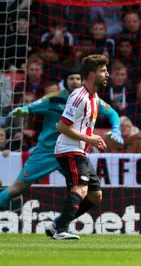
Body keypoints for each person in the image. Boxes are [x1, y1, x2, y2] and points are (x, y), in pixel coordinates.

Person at [0, 69, 122, 209]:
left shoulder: (91, 99)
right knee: (17, 188)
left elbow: (112, 113)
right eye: (71, 79)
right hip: (46, 152)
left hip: (72, 152)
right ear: (65, 82)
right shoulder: (53, 98)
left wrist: (116, 128)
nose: (75, 82)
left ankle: (61, 224)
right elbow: (32, 107)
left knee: (88, 192)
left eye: (78, 78)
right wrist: (25, 110)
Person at [46, 55, 110, 240]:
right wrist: (89, 138)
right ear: (91, 75)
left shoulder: (94, 96)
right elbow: (62, 126)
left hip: (80, 151)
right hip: (69, 149)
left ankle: (58, 224)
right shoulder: (78, 96)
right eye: (103, 71)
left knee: (95, 195)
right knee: (80, 189)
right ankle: (61, 230)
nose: (107, 74)